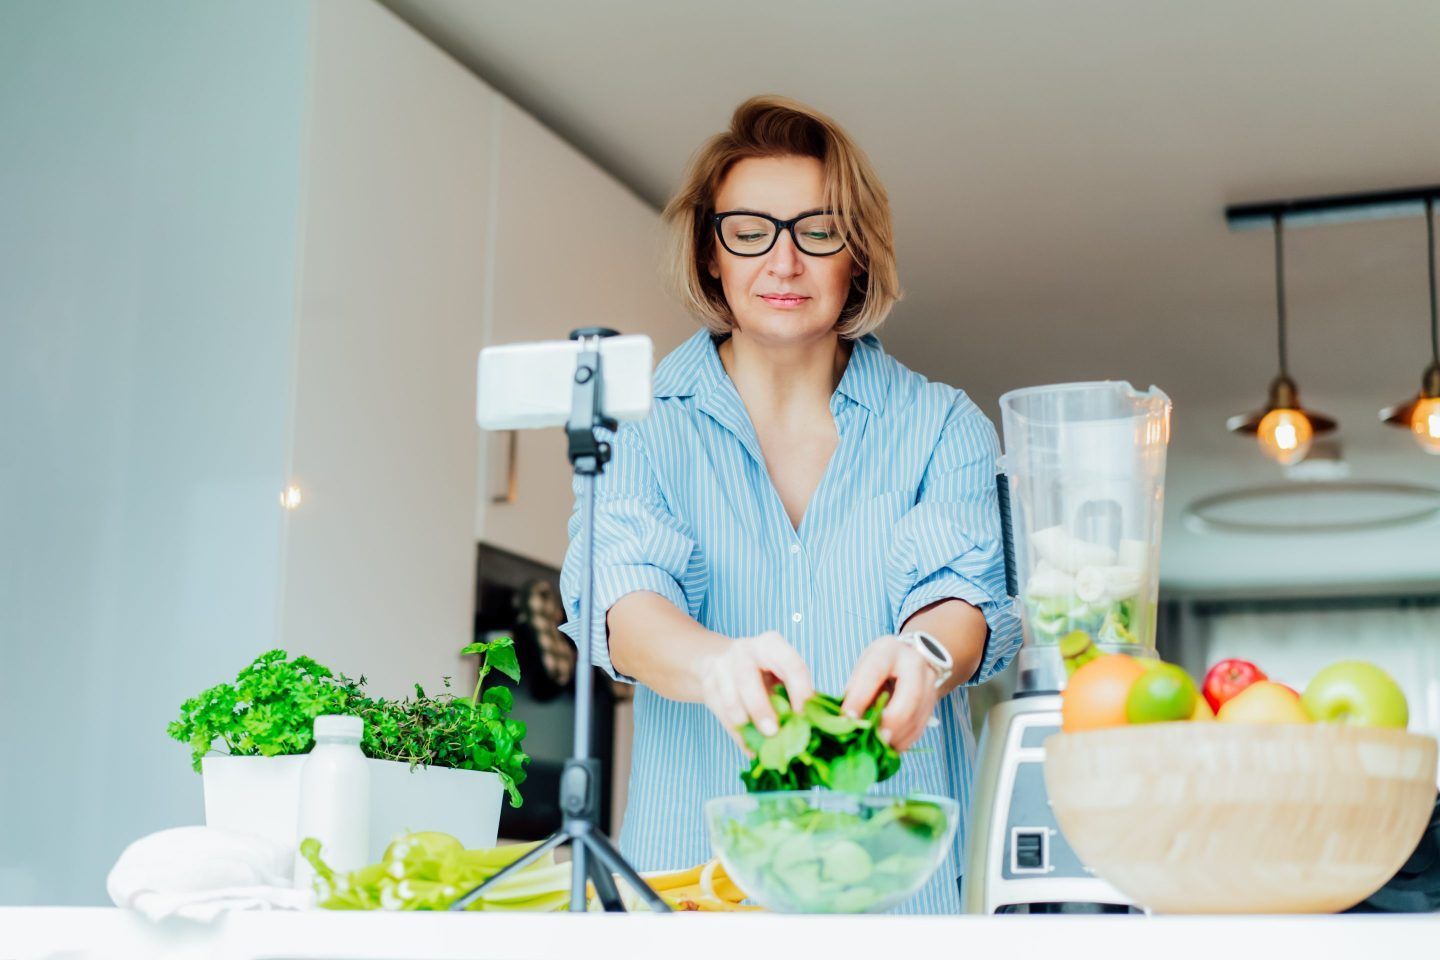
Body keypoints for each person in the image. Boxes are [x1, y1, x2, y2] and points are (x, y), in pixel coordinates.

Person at [559, 94, 1021, 913]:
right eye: (750, 230)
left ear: (858, 256)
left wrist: (925, 659)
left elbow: (964, 593)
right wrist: (715, 666)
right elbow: (623, 602)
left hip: (904, 906)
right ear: (711, 253)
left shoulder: (942, 425)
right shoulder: (640, 426)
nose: (784, 262)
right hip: (696, 897)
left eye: (818, 230)